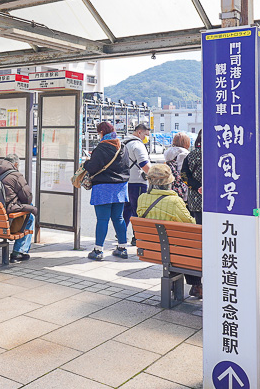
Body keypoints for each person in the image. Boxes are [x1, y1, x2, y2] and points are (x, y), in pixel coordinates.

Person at [137, 164, 202, 298]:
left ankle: (177, 284)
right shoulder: (174, 201)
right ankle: (196, 285)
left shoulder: (142, 198)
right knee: (188, 247)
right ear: (169, 182)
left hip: (151, 248)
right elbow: (191, 223)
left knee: (174, 246)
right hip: (174, 250)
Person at [83, 121, 130, 261]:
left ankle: (98, 251)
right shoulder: (123, 147)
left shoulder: (101, 148)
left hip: (103, 187)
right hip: (120, 187)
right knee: (119, 218)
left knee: (102, 219)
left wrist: (86, 162)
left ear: (102, 132)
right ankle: (122, 248)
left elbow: (92, 167)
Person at [0, 153, 37, 262]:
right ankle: (19, 252)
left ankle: (20, 250)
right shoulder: (16, 176)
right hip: (7, 221)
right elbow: (27, 198)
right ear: (16, 164)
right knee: (30, 216)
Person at [121, 123, 152, 247]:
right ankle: (137, 236)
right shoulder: (138, 145)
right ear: (139, 132)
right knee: (138, 210)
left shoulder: (123, 143)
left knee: (126, 209)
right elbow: (144, 164)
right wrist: (154, 176)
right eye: (146, 134)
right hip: (138, 182)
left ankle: (121, 233)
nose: (146, 137)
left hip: (125, 181)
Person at [180, 130, 203, 225]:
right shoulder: (216, 154)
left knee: (200, 226)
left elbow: (184, 176)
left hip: (195, 199)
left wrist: (198, 187)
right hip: (215, 200)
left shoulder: (191, 155)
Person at [163, 132, 191, 202]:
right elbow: (183, 172)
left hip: (169, 185)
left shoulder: (167, 154)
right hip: (182, 187)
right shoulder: (184, 154)